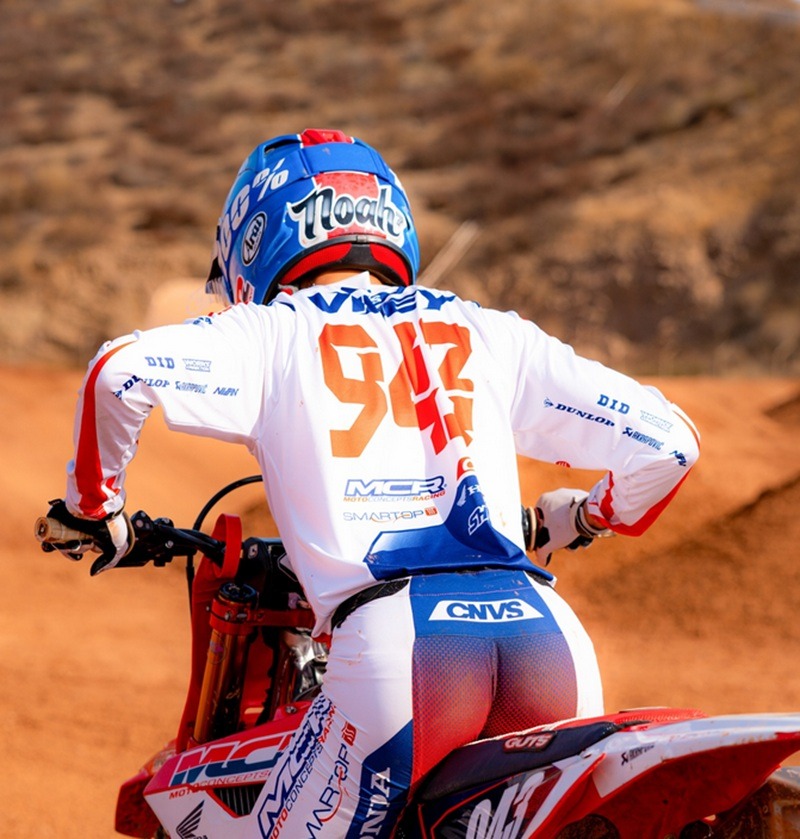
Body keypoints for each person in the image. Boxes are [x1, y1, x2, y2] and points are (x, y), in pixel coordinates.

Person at [40, 128, 699, 836]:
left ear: (255, 239)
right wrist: (590, 515)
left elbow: (119, 374)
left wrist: (95, 511)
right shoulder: (487, 330)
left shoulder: (271, 333)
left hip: (401, 648)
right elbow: (671, 445)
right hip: (549, 639)